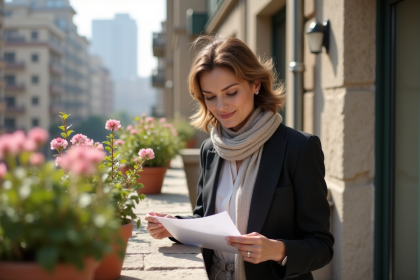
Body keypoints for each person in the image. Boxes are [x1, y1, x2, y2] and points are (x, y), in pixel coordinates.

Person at [145, 36, 334, 280]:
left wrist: (278, 250)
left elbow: (322, 245)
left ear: (256, 84)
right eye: (210, 96)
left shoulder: (299, 149)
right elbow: (206, 220)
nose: (220, 106)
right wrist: (173, 226)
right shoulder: (210, 150)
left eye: (231, 92)